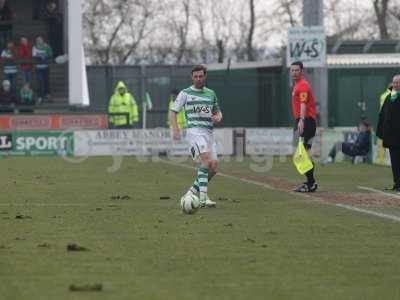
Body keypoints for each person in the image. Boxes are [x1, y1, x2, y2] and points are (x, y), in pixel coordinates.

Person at [169, 65, 223, 207]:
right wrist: (176, 129)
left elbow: (217, 112)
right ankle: (203, 199)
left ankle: (190, 193)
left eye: (201, 76)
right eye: (195, 76)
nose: (198, 79)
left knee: (214, 167)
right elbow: (173, 111)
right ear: (192, 77)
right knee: (205, 161)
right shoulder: (185, 93)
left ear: (205, 76)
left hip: (209, 133)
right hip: (194, 131)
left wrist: (218, 117)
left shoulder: (211, 93)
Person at [290, 61, 318, 192]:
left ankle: (311, 183)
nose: (294, 72)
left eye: (297, 70)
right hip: (303, 120)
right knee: (302, 154)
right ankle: (310, 182)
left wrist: (301, 119)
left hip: (306, 121)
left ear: (302, 71)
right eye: (292, 70)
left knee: (303, 154)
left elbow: (303, 103)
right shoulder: (297, 85)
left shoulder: (303, 85)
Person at [377, 74, 400, 192]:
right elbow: (382, 116)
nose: (395, 84)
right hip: (392, 137)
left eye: (397, 82)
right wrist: (381, 132)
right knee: (395, 162)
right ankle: (397, 183)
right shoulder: (388, 97)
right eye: (394, 82)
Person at [32, 35, 53, 103]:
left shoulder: (47, 46)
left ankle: (48, 96)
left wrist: (44, 56)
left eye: (40, 39)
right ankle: (40, 97)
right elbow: (34, 56)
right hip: (38, 68)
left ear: (43, 40)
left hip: (46, 67)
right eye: (37, 40)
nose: (39, 41)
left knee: (46, 82)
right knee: (40, 82)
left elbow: (50, 54)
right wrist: (42, 56)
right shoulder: (34, 47)